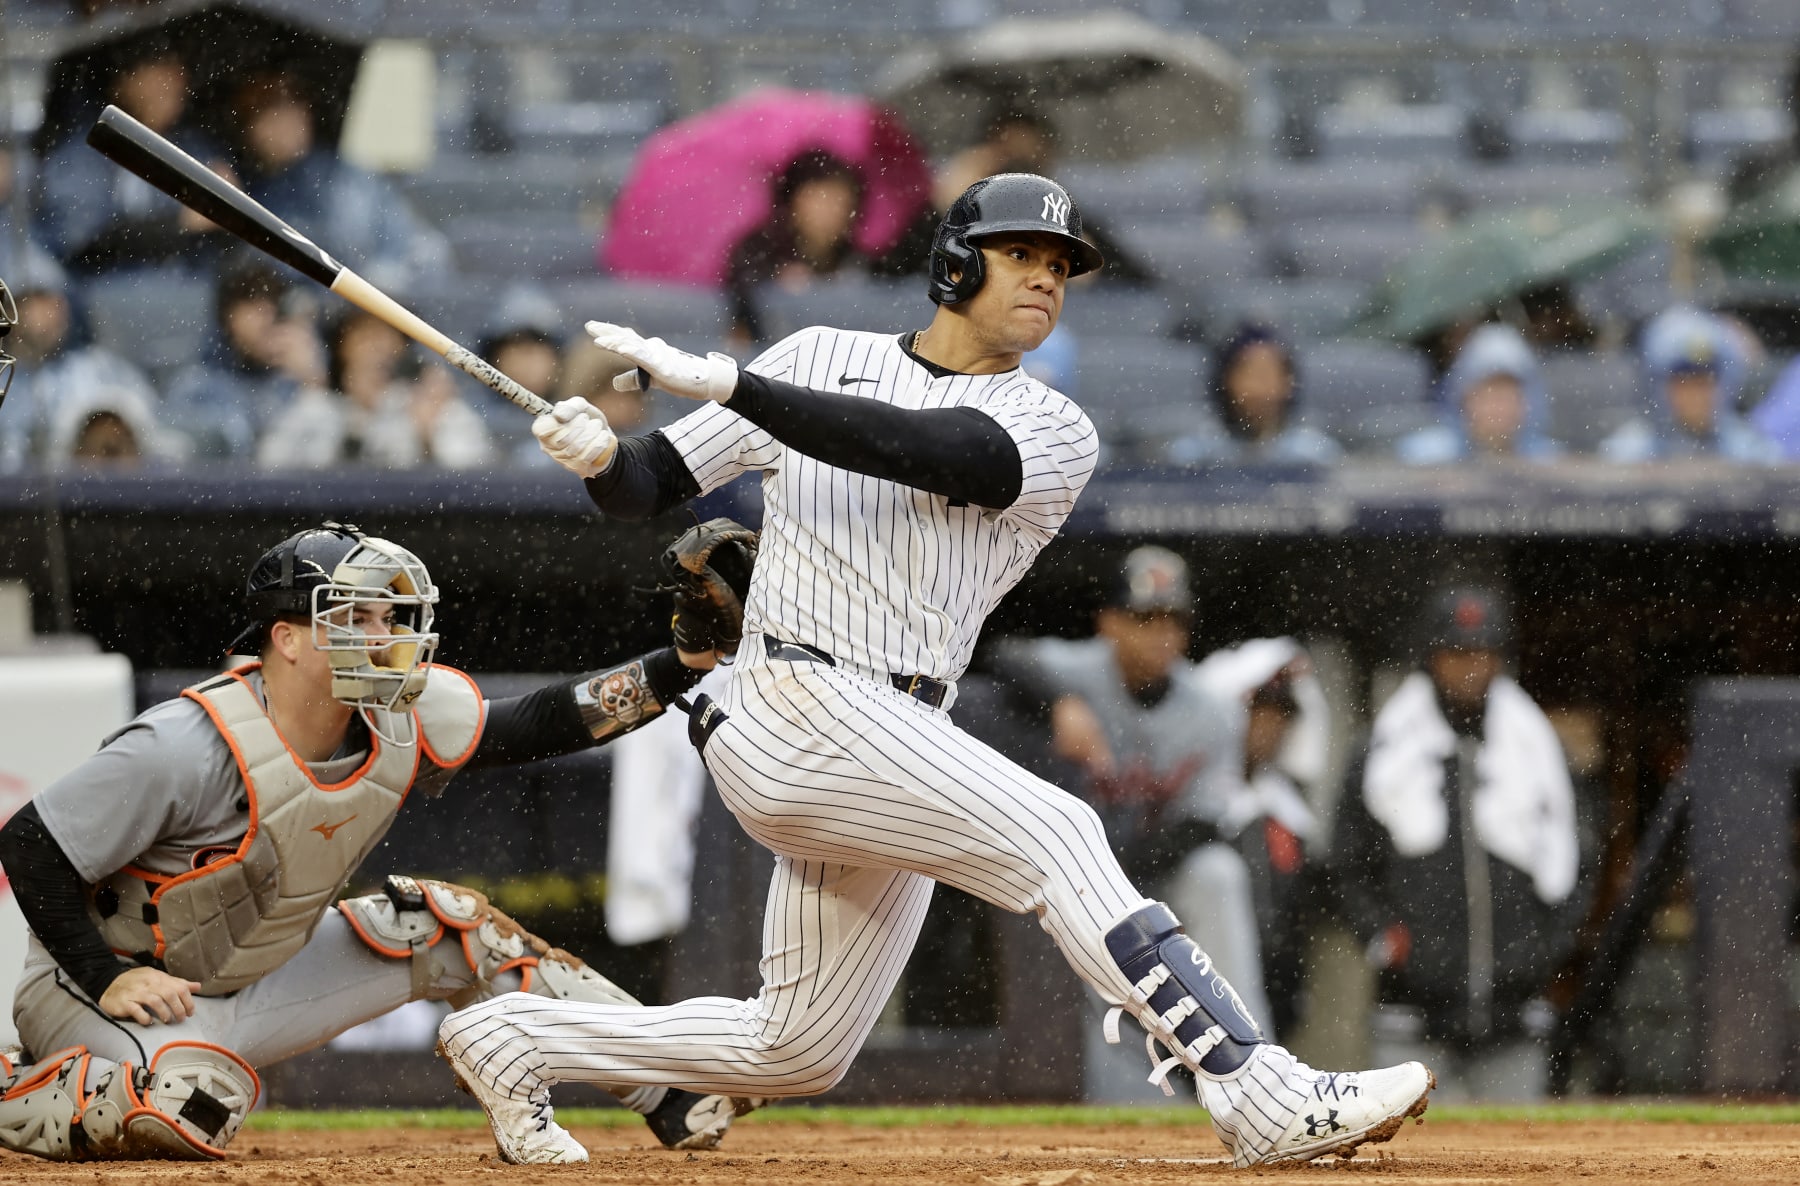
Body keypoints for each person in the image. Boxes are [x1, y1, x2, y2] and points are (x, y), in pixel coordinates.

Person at [442, 172, 1435, 1168]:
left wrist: (746, 390)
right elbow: (648, 485)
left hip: (896, 734)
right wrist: (598, 457)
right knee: (1060, 830)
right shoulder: (820, 356)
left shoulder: (1055, 428)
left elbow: (934, 450)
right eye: (1022, 256)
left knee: (796, 1047)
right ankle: (1252, 1085)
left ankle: (516, 1038)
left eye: (1061, 267)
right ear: (955, 263)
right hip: (792, 698)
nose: (1047, 280)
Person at [0, 521, 762, 1162]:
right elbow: (29, 844)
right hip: (105, 997)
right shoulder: (185, 744)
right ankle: (12, 1089)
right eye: (357, 618)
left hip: (252, 980)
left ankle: (673, 1088)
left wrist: (683, 663)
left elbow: (540, 722)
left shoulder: (404, 712)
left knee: (453, 928)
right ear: (287, 638)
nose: (386, 637)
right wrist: (104, 978)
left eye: (392, 620)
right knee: (195, 1103)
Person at [992, 546, 1275, 1100]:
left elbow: (1206, 824)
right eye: (1145, 619)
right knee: (1100, 959)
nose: (1160, 635)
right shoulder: (1081, 671)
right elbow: (1001, 655)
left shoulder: (1214, 710)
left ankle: (1255, 1065)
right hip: (1084, 881)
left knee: (1219, 872)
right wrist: (1059, 702)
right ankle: (1137, 1107)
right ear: (1110, 623)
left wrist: (1133, 897)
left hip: (1163, 867)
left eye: (1173, 621)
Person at [1328, 587, 1583, 1102]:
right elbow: (1346, 865)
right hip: (1412, 1014)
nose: (1472, 666)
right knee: (1410, 1165)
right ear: (1431, 656)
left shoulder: (1533, 745)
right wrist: (1387, 941)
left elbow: (1578, 860)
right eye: (1458, 652)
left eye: (1484, 652)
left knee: (1516, 1163)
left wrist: (1544, 948)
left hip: (1515, 1013)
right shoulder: (1384, 745)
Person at [1192, 639, 1331, 1044]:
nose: (1271, 729)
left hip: (1275, 1011)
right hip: (1194, 1013)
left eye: (1282, 717)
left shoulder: (1287, 811)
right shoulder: (1193, 809)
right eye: (1260, 715)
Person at [230, 70, 449, 295]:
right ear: (250, 128)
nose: (289, 124)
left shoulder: (347, 175)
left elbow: (419, 250)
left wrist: (375, 292)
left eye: (295, 109)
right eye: (272, 115)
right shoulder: (246, 188)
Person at [33, 39, 233, 278]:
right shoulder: (86, 148)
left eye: (177, 69)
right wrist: (176, 224)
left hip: (187, 291)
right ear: (124, 81)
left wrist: (229, 209)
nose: (174, 79)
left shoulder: (196, 147)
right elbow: (80, 242)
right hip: (104, 293)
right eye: (159, 68)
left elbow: (224, 234)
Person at [0, 266, 186, 473]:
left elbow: (159, 445)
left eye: (60, 300)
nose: (57, 309)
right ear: (9, 309)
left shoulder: (103, 370)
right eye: (41, 298)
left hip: (101, 498)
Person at [257, 308, 492, 470]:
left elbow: (476, 479)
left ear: (402, 347)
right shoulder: (316, 404)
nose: (375, 347)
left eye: (386, 335)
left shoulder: (433, 406)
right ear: (341, 347)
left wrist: (427, 437)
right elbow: (271, 467)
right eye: (362, 335)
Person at [162, 257, 329, 460]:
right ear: (226, 317)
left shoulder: (295, 381)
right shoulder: (196, 387)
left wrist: (312, 384)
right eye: (251, 299)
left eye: (273, 298)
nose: (266, 313)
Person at [1599, 307, 1781, 464]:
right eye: (1683, 384)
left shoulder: (1751, 452)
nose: (1696, 396)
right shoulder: (1629, 455)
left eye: (1704, 383)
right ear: (1658, 387)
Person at [725, 149, 868, 343]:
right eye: (820, 198)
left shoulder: (856, 257)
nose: (832, 210)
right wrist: (775, 284)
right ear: (794, 200)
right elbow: (743, 301)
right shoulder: (761, 248)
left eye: (841, 200)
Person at [1168, 323, 1342, 466]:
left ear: (1288, 384)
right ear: (1225, 382)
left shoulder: (1316, 455)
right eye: (1250, 375)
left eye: (1270, 375)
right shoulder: (1192, 455)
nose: (1260, 389)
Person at [1397, 324, 1561, 465]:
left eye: (1508, 397)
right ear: (1463, 399)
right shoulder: (1424, 457)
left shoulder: (1550, 461)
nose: (1499, 409)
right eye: (1489, 396)